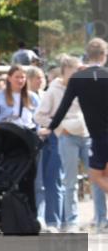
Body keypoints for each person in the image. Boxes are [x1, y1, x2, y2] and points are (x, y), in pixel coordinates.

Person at [47, 38, 108, 228]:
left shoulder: (78, 79)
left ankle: (99, 220)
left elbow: (63, 108)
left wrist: (50, 127)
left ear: (87, 55)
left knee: (96, 176)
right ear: (104, 55)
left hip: (97, 137)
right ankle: (102, 220)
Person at [36, 57, 86, 231]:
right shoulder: (54, 90)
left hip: (85, 135)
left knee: (95, 179)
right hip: (62, 138)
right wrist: (60, 127)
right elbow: (40, 116)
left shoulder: (84, 87)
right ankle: (62, 221)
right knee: (63, 181)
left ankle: (73, 220)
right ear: (64, 71)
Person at [29, 65, 63, 229]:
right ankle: (41, 217)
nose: (41, 80)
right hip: (37, 140)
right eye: (37, 77)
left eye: (42, 77)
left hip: (50, 139)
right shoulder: (29, 97)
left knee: (51, 181)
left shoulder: (45, 95)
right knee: (39, 183)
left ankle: (53, 218)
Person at [0, 65, 40, 130]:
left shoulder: (32, 97)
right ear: (9, 78)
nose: (20, 80)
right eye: (17, 77)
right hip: (6, 133)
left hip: (27, 134)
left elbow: (37, 119)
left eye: (22, 77)